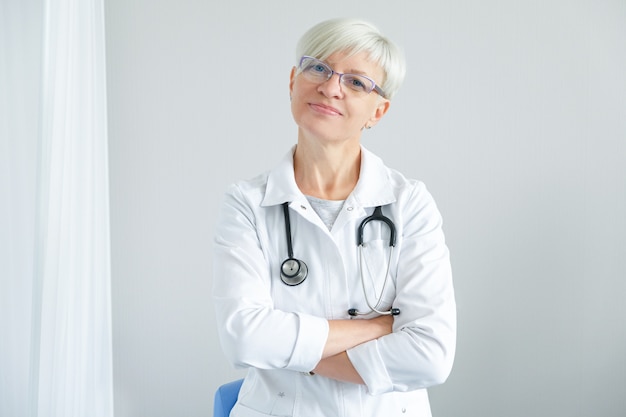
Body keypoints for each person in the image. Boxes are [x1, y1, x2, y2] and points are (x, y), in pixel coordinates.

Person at [213, 17, 456, 417]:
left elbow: (430, 355)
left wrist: (288, 351)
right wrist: (376, 328)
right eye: (318, 68)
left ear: (378, 111)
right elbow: (243, 340)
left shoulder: (409, 204)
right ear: (293, 80)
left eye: (357, 82)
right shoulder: (246, 204)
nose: (330, 87)